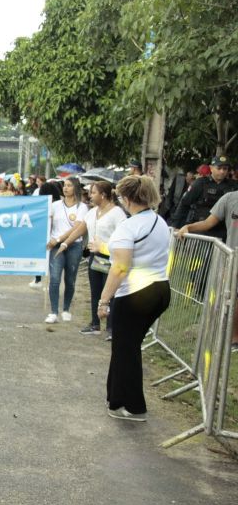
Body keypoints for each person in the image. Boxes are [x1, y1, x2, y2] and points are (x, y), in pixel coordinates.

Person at [97, 176, 170, 421]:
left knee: (125, 349)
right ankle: (116, 398)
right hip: (159, 288)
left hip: (136, 293)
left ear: (126, 199)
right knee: (127, 348)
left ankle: (132, 406)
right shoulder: (159, 221)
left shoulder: (128, 228)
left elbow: (119, 268)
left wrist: (103, 300)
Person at [57, 181, 127, 338]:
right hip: (95, 257)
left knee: (110, 292)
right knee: (96, 291)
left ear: (103, 195)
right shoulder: (92, 212)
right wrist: (65, 243)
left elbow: (123, 237)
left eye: (93, 192)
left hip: (112, 257)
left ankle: (112, 328)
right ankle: (95, 324)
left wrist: (106, 247)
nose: (90, 195)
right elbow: (80, 229)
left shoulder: (117, 213)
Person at [178, 189, 238, 351]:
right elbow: (208, 223)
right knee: (231, 297)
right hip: (233, 258)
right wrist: (188, 227)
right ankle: (233, 338)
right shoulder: (230, 198)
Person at [44, 178, 88, 323]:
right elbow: (47, 223)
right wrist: (49, 239)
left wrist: (60, 239)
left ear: (75, 188)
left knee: (70, 279)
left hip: (74, 245)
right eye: (64, 185)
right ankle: (53, 312)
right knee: (55, 279)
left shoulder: (82, 207)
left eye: (69, 186)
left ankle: (66, 308)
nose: (66, 188)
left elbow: (77, 228)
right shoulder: (55, 205)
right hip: (55, 246)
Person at [172, 156, 238, 241]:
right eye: (219, 168)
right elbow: (184, 204)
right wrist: (176, 226)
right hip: (200, 230)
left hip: (222, 231)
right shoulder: (200, 183)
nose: (222, 171)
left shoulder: (233, 186)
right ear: (211, 168)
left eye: (225, 169)